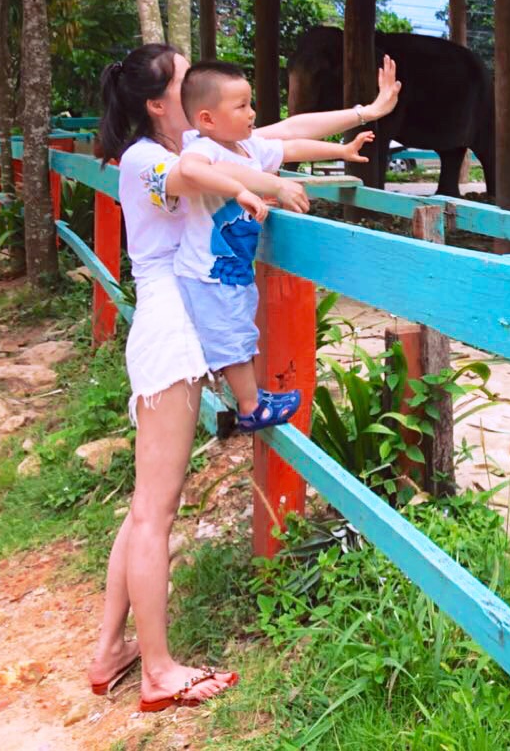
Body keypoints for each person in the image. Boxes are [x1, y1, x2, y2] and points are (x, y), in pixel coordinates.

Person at [87, 43, 400, 711]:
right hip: (172, 331)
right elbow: (201, 178)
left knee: (147, 504)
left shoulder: (207, 143)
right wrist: (268, 187)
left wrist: (362, 112)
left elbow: (279, 134)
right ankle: (160, 673)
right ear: (158, 103)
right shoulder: (151, 159)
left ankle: (113, 648)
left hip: (181, 326)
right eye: (180, 79)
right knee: (155, 510)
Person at [174, 60, 374, 433]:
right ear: (207, 119)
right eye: (241, 106)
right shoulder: (202, 149)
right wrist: (242, 189)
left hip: (231, 269)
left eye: (250, 103)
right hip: (208, 271)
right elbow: (189, 172)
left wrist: (342, 151)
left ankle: (252, 398)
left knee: (241, 330)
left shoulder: (248, 149)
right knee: (232, 337)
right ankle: (251, 408)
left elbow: (291, 143)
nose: (252, 113)